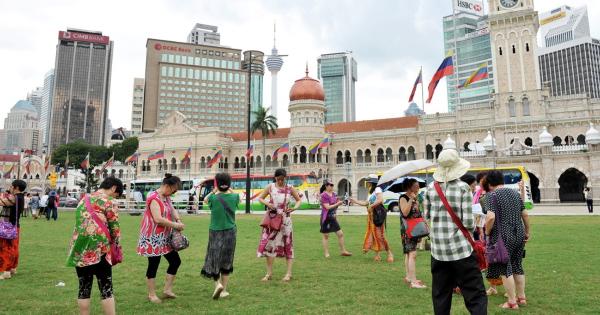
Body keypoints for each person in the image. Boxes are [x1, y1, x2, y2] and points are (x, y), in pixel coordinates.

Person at [424, 150, 487, 315]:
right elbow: (467, 222)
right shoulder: (463, 188)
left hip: (438, 251)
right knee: (474, 293)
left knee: (441, 294)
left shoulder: (430, 188)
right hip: (461, 250)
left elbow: (427, 215)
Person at [66, 177, 123, 315]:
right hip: (100, 249)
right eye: (117, 194)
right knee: (106, 288)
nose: (115, 197)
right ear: (114, 188)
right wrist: (117, 246)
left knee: (83, 287)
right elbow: (115, 230)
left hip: (80, 248)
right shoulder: (109, 202)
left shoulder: (83, 199)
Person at [484, 170, 530, 310]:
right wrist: (527, 232)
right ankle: (521, 297)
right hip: (519, 233)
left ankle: (511, 302)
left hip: (502, 235)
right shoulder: (515, 193)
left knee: (505, 268)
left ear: (490, 183)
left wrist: (487, 232)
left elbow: (491, 217)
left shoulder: (491, 196)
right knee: (517, 265)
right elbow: (525, 214)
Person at [137, 174, 185, 303]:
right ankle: (151, 294)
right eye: (174, 190)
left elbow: (172, 209)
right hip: (152, 237)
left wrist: (178, 220)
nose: (174, 193)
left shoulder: (166, 197)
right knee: (154, 264)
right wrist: (176, 225)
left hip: (165, 237)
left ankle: (167, 290)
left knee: (175, 261)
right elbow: (158, 219)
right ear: (166, 186)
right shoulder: (153, 198)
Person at [256, 168, 302, 282]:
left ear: (285, 178)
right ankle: (269, 273)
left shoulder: (290, 188)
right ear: (275, 178)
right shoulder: (270, 187)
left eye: (282, 179)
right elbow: (260, 198)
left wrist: (294, 208)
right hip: (272, 220)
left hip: (285, 221)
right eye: (278, 179)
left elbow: (298, 200)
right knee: (269, 245)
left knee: (288, 246)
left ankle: (288, 273)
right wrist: (268, 203)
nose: (280, 181)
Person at [201, 173, 238, 299]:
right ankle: (224, 290)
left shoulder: (214, 198)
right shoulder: (235, 196)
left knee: (214, 257)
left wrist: (214, 191)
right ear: (229, 183)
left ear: (217, 183)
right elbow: (239, 197)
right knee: (227, 259)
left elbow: (205, 199)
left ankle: (217, 284)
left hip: (215, 231)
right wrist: (228, 188)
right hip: (231, 231)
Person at [351, 174, 394, 263]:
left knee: (380, 235)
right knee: (374, 235)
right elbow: (366, 203)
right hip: (371, 217)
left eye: (369, 181)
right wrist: (355, 201)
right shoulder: (371, 192)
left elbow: (380, 200)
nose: (367, 183)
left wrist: (372, 206)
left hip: (377, 216)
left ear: (372, 182)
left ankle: (389, 253)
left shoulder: (377, 189)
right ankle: (377, 255)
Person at [399, 178, 426, 288]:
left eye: (419, 186)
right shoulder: (403, 198)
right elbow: (405, 213)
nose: (418, 188)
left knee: (409, 254)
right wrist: (410, 200)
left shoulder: (416, 198)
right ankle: (414, 282)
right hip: (408, 230)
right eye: (416, 186)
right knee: (412, 254)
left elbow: (418, 213)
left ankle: (409, 277)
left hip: (415, 229)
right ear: (410, 187)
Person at [0, 180, 27, 280]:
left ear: (16, 188)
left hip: (8, 227)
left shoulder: (13, 197)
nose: (10, 188)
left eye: (12, 186)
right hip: (15, 226)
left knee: (6, 248)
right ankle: (12, 268)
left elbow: (2, 202)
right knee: (14, 248)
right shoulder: (21, 197)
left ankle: (6, 271)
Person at [319, 179, 352, 258]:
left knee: (340, 234)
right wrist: (337, 203)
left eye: (332, 185)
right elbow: (327, 207)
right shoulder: (324, 195)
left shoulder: (334, 194)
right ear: (326, 186)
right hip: (326, 217)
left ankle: (343, 251)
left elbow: (336, 205)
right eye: (330, 185)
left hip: (333, 217)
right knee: (326, 236)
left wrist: (340, 203)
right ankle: (326, 253)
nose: (331, 186)